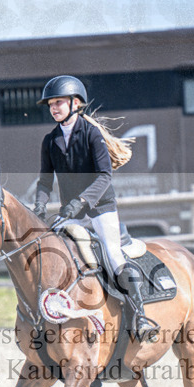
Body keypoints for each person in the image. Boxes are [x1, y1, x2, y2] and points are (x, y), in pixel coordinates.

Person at [32, 74, 159, 341]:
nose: (54, 108)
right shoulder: (50, 140)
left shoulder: (91, 134)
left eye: (59, 102)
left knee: (113, 256)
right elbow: (45, 180)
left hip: (100, 209)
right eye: (51, 104)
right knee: (53, 253)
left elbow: (104, 176)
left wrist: (80, 202)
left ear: (75, 103)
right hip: (72, 214)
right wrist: (40, 207)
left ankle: (141, 316)